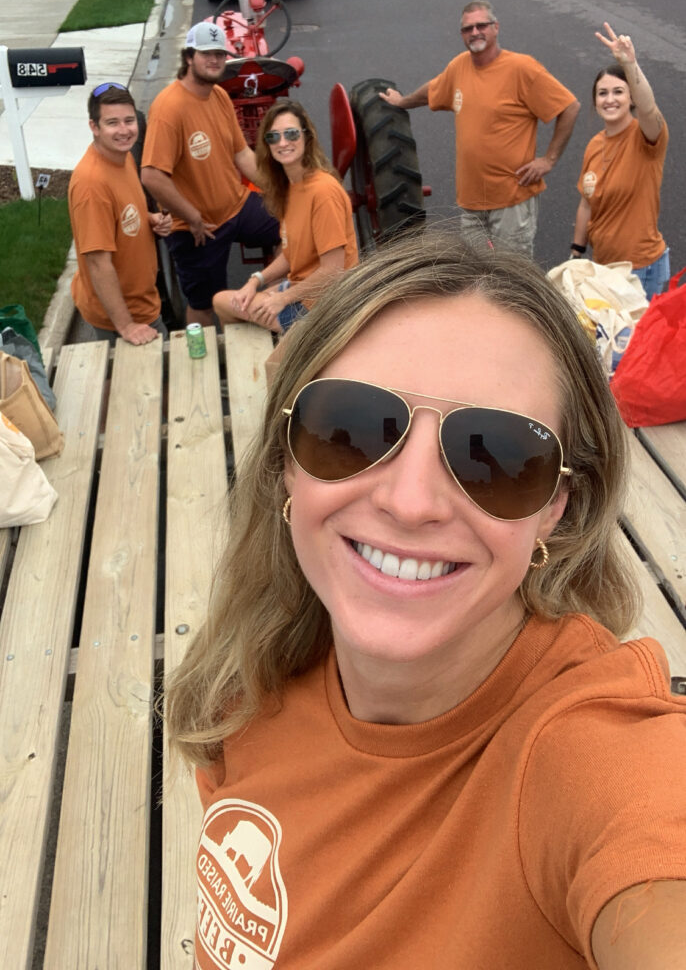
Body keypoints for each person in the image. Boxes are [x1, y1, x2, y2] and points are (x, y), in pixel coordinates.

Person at [165, 229, 686, 970]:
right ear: (286, 461)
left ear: (556, 509)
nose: (411, 502)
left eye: (497, 455)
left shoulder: (587, 759)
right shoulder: (250, 680)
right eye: (349, 428)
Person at [379, 0, 580, 256]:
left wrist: (548, 160)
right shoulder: (459, 67)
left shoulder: (521, 68)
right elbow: (434, 89)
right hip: (471, 202)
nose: (474, 32)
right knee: (477, 276)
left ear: (495, 27)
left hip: (511, 199)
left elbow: (569, 107)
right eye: (467, 28)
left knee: (509, 278)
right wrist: (403, 101)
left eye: (481, 25)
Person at [141, 22, 281, 326]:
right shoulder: (169, 107)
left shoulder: (218, 95)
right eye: (207, 53)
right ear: (189, 57)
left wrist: (279, 190)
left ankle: (273, 306)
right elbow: (151, 176)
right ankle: (207, 361)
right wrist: (192, 217)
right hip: (197, 226)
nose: (215, 60)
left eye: (220, 53)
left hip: (237, 206)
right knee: (204, 305)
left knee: (292, 224)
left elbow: (241, 153)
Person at [213, 100, 358, 334]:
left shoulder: (323, 191)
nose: (283, 142)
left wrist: (283, 297)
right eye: (273, 137)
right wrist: (255, 280)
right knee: (243, 299)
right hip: (303, 290)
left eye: (291, 134)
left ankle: (254, 360)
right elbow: (291, 254)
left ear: (306, 137)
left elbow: (333, 271)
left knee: (222, 302)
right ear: (267, 145)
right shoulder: (290, 187)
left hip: (327, 305)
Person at [68, 83, 171, 345]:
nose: (124, 131)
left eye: (129, 120)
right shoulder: (91, 185)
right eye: (112, 122)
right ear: (94, 127)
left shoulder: (121, 156)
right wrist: (126, 326)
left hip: (144, 301)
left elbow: (122, 213)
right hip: (123, 317)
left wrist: (150, 219)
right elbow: (97, 262)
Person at [571, 23, 669, 299]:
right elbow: (586, 202)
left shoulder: (646, 137)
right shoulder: (594, 145)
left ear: (631, 99)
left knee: (636, 343)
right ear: (595, 100)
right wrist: (576, 252)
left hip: (640, 268)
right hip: (604, 267)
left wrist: (630, 65)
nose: (610, 99)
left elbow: (649, 109)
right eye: (603, 93)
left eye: (618, 91)